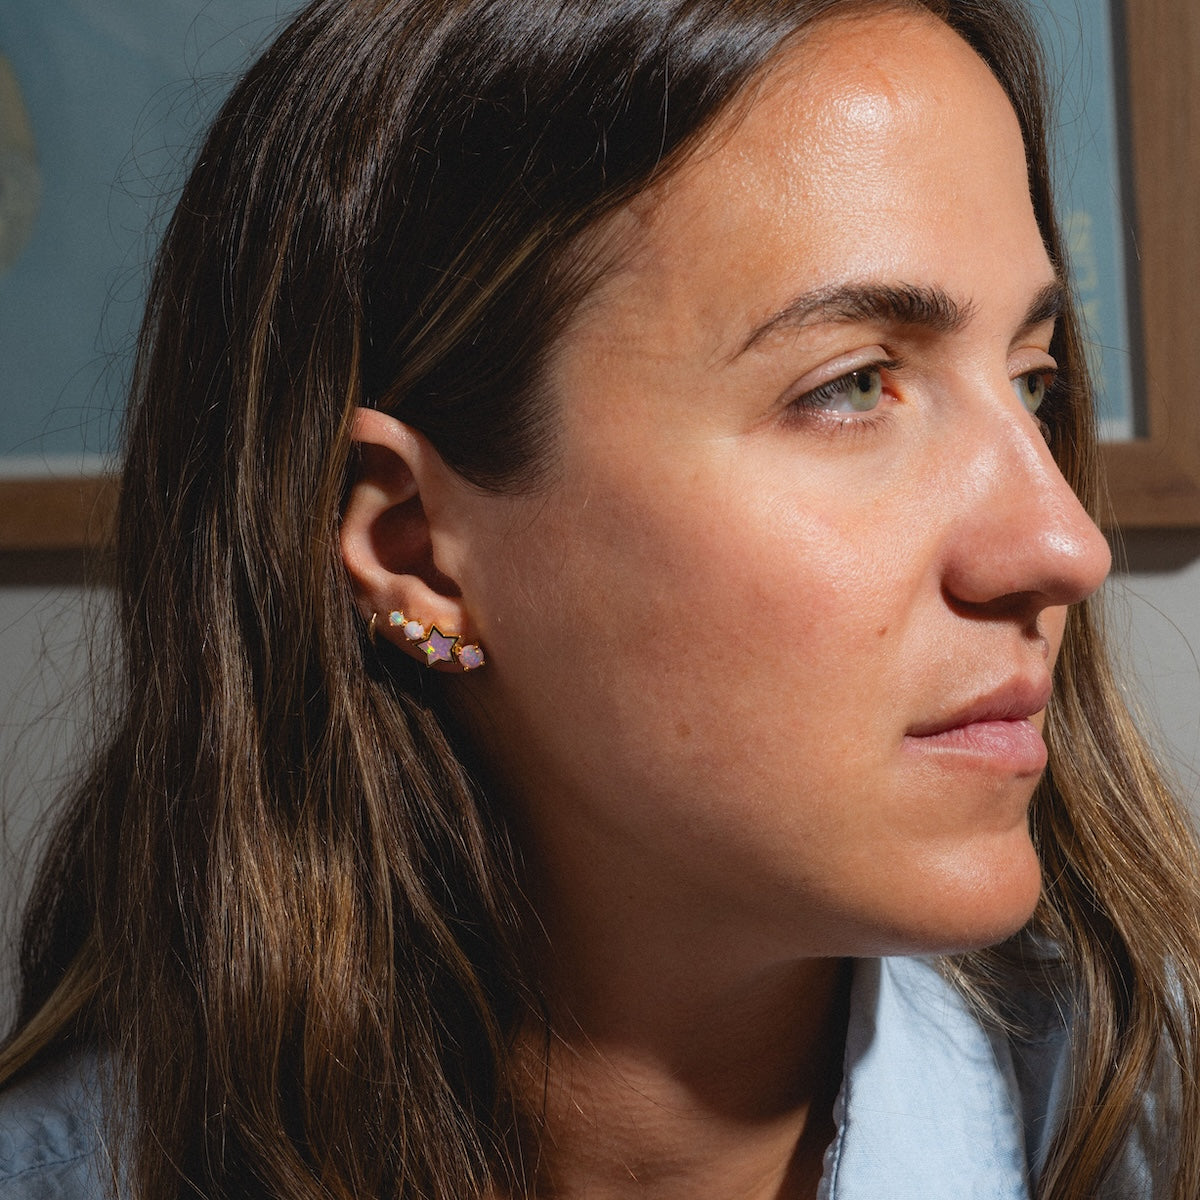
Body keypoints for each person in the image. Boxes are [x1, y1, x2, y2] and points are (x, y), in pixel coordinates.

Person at [1, 0, 1198, 1196]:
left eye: (1031, 381)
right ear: (415, 548)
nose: (1064, 543)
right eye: (850, 386)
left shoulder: (1149, 1128)